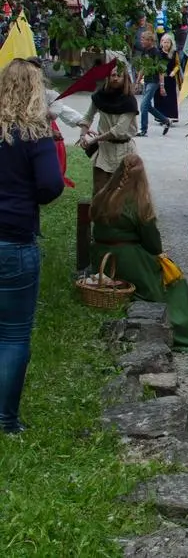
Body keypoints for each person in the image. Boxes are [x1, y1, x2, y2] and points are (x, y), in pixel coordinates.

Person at [91, 155, 188, 353]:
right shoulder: (139, 203)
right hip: (126, 261)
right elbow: (153, 245)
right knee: (173, 279)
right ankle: (185, 330)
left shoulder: (101, 196)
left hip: (100, 257)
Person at [0, 58, 65, 433]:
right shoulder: (34, 133)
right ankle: (5, 419)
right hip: (14, 239)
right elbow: (51, 185)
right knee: (11, 334)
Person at [81, 63, 139, 192]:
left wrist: (94, 140)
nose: (115, 78)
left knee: (122, 193)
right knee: (99, 191)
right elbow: (88, 117)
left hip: (124, 150)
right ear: (108, 77)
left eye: (119, 75)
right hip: (104, 151)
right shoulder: (99, 96)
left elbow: (119, 131)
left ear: (125, 78)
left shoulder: (129, 101)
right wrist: (82, 135)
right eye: (113, 75)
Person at [134, 30, 170, 137]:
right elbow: (143, 68)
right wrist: (137, 82)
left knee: (143, 105)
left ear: (150, 40)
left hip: (154, 81)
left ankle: (143, 129)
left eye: (143, 39)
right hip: (147, 80)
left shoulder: (156, 53)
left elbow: (161, 70)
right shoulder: (145, 52)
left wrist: (162, 86)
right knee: (147, 106)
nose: (141, 41)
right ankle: (165, 120)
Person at [154, 33, 181, 126]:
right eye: (164, 42)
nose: (166, 44)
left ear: (171, 43)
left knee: (170, 98)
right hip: (161, 78)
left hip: (170, 78)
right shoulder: (158, 53)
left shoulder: (174, 53)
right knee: (161, 98)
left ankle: (171, 117)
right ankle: (162, 117)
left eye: (168, 42)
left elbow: (178, 64)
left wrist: (174, 72)